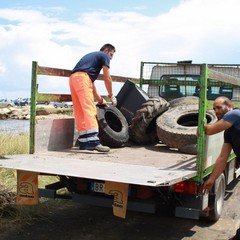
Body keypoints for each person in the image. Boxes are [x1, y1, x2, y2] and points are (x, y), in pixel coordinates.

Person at [203, 96, 240, 240]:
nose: (216, 111)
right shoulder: (229, 132)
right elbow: (223, 157)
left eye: (219, 107)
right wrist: (212, 178)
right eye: (214, 108)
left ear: (229, 105)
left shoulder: (234, 114)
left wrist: (201, 125)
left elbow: (210, 130)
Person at [69, 43, 117, 153]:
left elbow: (91, 85)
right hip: (83, 79)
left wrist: (100, 100)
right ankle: (94, 142)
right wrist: (111, 95)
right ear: (105, 50)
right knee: (90, 109)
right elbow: (107, 77)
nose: (111, 58)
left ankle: (84, 142)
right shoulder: (103, 56)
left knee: (80, 110)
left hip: (73, 79)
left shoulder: (90, 61)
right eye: (111, 54)